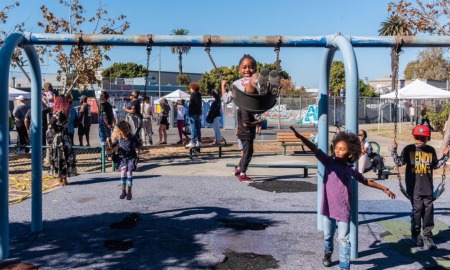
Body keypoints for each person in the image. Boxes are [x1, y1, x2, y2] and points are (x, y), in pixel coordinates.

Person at [290, 126, 396, 270]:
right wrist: (300, 137)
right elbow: (314, 149)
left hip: (343, 209)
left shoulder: (350, 169)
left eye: (341, 149)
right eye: (336, 148)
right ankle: (328, 252)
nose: (337, 151)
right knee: (328, 235)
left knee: (344, 239)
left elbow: (366, 181)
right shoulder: (328, 161)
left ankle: (344, 267)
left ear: (350, 154)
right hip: (328, 208)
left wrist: (385, 188)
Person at [391, 125, 449, 250]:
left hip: (427, 187)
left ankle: (428, 235)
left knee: (428, 212)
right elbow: (399, 163)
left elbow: (435, 165)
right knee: (417, 211)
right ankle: (416, 234)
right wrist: (394, 150)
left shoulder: (431, 150)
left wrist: (446, 156)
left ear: (428, 138)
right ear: (413, 136)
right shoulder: (408, 149)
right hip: (414, 187)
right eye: (417, 137)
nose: (420, 140)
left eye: (423, 138)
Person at [47, 96, 77, 187]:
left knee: (58, 158)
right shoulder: (68, 113)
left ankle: (60, 179)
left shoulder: (58, 113)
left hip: (58, 138)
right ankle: (65, 179)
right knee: (65, 157)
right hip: (66, 137)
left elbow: (50, 125)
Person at [108, 120, 142, 200]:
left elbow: (138, 145)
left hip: (131, 158)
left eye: (127, 128)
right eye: (124, 129)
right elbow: (113, 146)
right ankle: (123, 191)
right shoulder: (119, 138)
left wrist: (140, 142)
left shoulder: (132, 137)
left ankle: (129, 192)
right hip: (122, 158)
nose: (126, 130)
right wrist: (110, 143)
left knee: (129, 174)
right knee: (123, 174)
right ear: (120, 130)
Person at [233, 107, 264, 183]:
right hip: (246, 134)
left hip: (244, 133)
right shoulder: (245, 109)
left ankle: (239, 169)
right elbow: (246, 124)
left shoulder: (243, 107)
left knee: (248, 152)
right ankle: (242, 175)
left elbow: (248, 121)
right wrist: (257, 122)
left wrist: (256, 121)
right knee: (247, 154)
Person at [185, 82, 203, 148]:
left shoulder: (192, 95)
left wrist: (189, 113)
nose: (190, 89)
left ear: (193, 88)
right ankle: (199, 141)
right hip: (198, 113)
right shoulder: (199, 95)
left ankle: (192, 142)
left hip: (192, 114)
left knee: (192, 128)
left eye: (191, 88)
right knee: (198, 128)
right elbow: (200, 105)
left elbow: (191, 105)